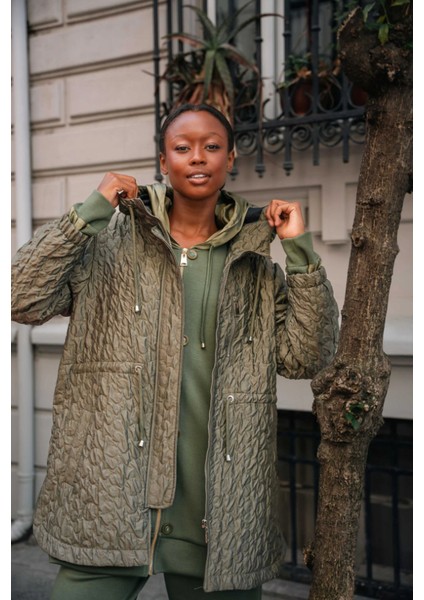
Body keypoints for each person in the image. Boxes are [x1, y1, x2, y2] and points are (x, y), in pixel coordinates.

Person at [11, 103, 339, 600]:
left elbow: (307, 357)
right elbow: (22, 297)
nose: (198, 157)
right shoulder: (108, 245)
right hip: (113, 500)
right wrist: (88, 212)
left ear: (230, 158)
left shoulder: (254, 263)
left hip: (217, 515)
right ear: (164, 162)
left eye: (212, 146)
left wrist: (300, 251)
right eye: (182, 147)